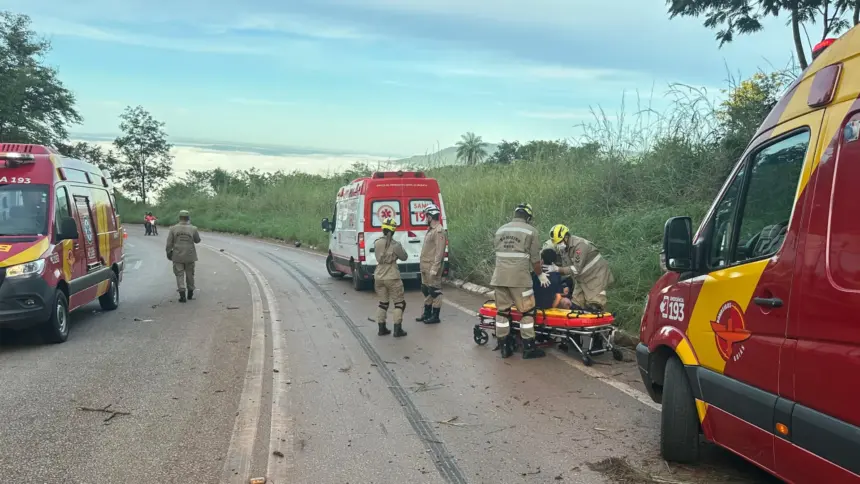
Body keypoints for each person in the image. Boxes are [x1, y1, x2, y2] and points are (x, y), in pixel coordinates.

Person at [491, 203, 549, 359]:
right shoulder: (531, 231)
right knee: (527, 311)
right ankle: (529, 348)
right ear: (528, 217)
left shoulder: (500, 230)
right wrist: (540, 275)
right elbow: (536, 259)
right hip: (520, 279)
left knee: (502, 311)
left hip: (500, 277)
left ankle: (504, 347)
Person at [545, 224, 614, 312]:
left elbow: (576, 269)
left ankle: (601, 322)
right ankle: (577, 324)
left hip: (596, 275)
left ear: (566, 237)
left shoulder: (580, 245)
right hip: (581, 278)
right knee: (575, 304)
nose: (559, 245)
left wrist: (558, 269)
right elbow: (568, 267)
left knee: (595, 304)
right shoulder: (564, 248)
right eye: (557, 243)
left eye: (559, 242)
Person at [374, 217, 408, 337]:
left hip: (379, 275)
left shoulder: (377, 242)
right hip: (392, 276)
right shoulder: (396, 245)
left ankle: (381, 328)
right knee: (399, 303)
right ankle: (397, 329)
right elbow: (404, 257)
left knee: (383, 303)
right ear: (393, 231)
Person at [416, 203, 447, 324]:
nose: (425, 218)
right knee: (426, 290)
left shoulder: (439, 231)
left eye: (426, 216)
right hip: (425, 266)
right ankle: (427, 313)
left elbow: (439, 252)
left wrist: (435, 268)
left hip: (432, 267)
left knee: (435, 291)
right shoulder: (430, 230)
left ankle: (435, 316)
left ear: (430, 216)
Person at [165, 210, 201, 303]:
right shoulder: (193, 228)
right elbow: (197, 240)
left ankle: (182, 295)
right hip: (190, 255)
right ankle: (190, 293)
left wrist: (169, 253)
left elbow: (169, 243)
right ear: (188, 218)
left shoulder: (173, 229)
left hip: (177, 255)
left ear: (179, 218)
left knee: (179, 274)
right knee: (190, 274)